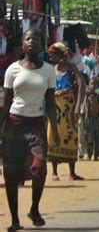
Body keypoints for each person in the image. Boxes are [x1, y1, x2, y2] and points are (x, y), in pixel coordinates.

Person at [1, 29, 60, 231]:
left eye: (36, 39)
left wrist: (56, 130)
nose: (32, 42)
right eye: (28, 38)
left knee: (40, 167)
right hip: (13, 124)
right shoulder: (12, 70)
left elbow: (51, 103)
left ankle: (34, 209)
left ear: (42, 44)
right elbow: (6, 103)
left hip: (37, 125)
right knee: (10, 173)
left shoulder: (48, 71)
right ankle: (15, 220)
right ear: (22, 44)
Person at [47, 42, 86, 181]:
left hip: (69, 108)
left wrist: (78, 106)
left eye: (53, 55)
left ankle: (72, 172)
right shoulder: (51, 69)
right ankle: (54, 172)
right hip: (54, 108)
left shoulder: (71, 68)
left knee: (71, 136)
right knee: (52, 136)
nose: (50, 58)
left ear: (60, 55)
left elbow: (82, 85)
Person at [83, 77, 99, 161]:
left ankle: (96, 156)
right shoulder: (86, 96)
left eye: (95, 84)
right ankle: (89, 155)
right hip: (89, 120)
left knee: (98, 138)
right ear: (88, 85)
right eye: (91, 83)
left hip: (98, 120)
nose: (93, 85)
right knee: (89, 139)